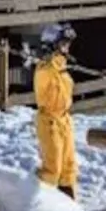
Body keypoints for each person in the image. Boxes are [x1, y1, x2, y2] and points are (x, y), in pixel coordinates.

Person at [34, 23, 79, 199]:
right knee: (53, 167)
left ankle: (68, 203)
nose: (67, 48)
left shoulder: (61, 67)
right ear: (52, 45)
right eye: (63, 44)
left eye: (68, 44)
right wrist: (49, 58)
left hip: (64, 120)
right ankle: (41, 202)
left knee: (68, 167)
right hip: (49, 121)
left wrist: (63, 62)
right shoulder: (44, 68)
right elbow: (46, 70)